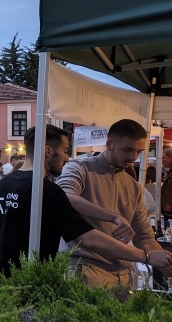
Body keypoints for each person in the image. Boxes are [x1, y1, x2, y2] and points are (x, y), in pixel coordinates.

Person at [0, 125, 172, 288]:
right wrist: (145, 256)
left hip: (0, 281)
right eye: (64, 151)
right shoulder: (48, 190)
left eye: (138, 151)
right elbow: (88, 238)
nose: (66, 158)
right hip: (34, 282)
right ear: (48, 151)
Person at [56, 118, 166, 294]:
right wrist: (113, 216)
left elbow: (144, 236)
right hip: (85, 268)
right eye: (127, 150)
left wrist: (164, 262)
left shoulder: (133, 186)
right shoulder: (79, 168)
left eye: (139, 151)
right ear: (109, 144)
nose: (133, 157)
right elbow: (64, 196)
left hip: (124, 273)